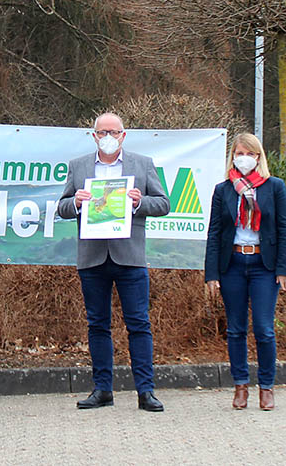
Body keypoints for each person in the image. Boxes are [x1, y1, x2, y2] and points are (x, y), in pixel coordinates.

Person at [57, 112, 170, 412]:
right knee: (97, 325)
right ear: (93, 135)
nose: (108, 136)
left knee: (139, 324)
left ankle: (146, 391)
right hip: (92, 258)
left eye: (114, 131)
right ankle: (102, 389)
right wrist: (76, 203)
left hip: (130, 257)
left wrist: (138, 202)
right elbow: (61, 207)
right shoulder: (78, 166)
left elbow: (163, 204)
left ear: (123, 135)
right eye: (102, 132)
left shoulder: (142, 164)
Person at [204, 133, 286, 411]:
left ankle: (266, 387)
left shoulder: (274, 187)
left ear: (258, 157)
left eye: (249, 153)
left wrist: (283, 268)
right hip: (232, 264)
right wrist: (211, 273)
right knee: (236, 329)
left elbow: (284, 228)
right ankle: (240, 386)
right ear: (232, 156)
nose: (243, 158)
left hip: (263, 266)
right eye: (239, 153)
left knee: (264, 329)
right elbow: (215, 232)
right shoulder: (223, 189)